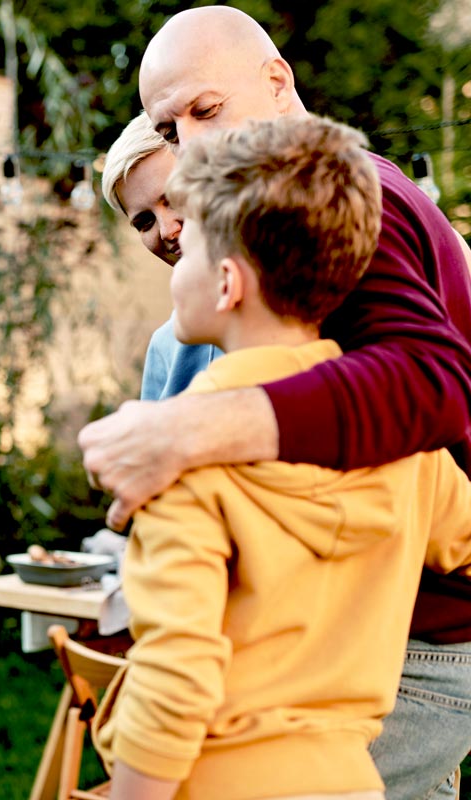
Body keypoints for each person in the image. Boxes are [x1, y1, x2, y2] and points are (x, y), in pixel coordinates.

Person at [78, 8, 471, 797]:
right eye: (169, 125)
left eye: (206, 109)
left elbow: (435, 381)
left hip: (399, 648)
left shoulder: (365, 197)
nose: (190, 142)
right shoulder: (316, 226)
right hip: (385, 637)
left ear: (278, 82)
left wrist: (184, 428)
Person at [101, 112, 220, 401]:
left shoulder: (315, 296)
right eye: (145, 223)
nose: (167, 231)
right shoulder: (165, 348)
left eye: (177, 197)